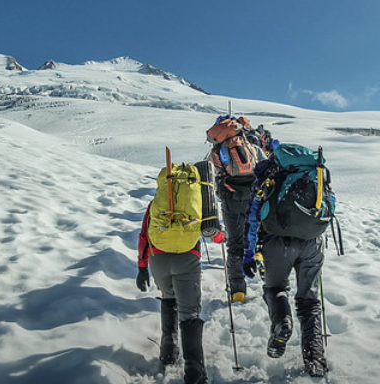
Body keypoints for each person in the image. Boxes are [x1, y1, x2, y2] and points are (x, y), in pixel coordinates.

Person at [242, 142, 331, 377]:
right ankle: (315, 359)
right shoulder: (315, 171)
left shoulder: (268, 173)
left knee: (275, 288)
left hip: (276, 241)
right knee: (310, 301)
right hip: (312, 242)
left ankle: (282, 322)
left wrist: (249, 253)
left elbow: (252, 215)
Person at [137, 199, 211, 384]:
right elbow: (214, 232)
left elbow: (144, 234)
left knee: (168, 296)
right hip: (187, 257)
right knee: (190, 313)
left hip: (158, 258)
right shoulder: (195, 201)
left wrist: (142, 266)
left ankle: (168, 350)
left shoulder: (156, 202)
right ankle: (194, 371)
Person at [206, 116, 269, 303]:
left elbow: (216, 173)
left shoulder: (217, 152)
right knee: (260, 235)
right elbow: (265, 167)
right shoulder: (253, 148)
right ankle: (265, 269)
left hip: (231, 200)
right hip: (254, 198)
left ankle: (237, 291)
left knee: (235, 244)